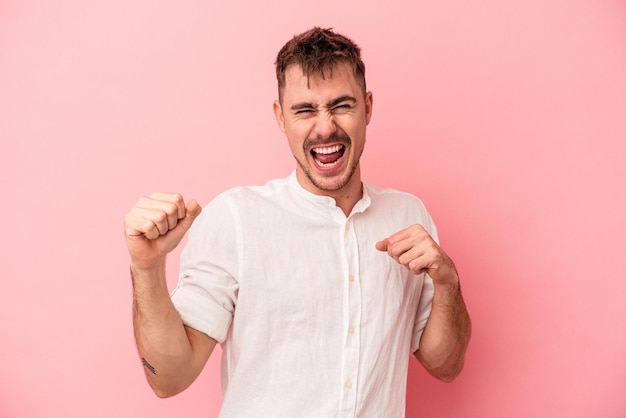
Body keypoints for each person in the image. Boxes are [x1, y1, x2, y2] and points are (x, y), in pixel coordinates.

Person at [124, 27, 471, 417]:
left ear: (368, 107)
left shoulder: (409, 215)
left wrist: (448, 281)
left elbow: (445, 365)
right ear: (280, 117)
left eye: (342, 105)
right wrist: (147, 268)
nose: (325, 127)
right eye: (304, 110)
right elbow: (169, 378)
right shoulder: (237, 218)